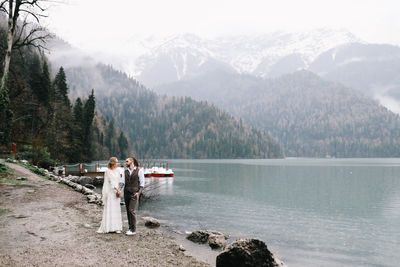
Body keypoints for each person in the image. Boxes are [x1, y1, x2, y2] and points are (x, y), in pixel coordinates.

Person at [97, 157, 123, 234]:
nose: (118, 163)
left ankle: (117, 227)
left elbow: (119, 181)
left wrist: (119, 190)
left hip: (117, 192)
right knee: (110, 208)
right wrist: (116, 189)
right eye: (117, 162)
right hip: (111, 192)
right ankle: (109, 227)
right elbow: (110, 182)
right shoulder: (107, 172)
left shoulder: (118, 171)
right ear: (113, 163)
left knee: (116, 209)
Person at [122, 157, 145, 235]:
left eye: (127, 161)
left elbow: (142, 184)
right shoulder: (125, 171)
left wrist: (138, 193)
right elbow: (122, 183)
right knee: (128, 211)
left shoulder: (139, 171)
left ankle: (134, 230)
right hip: (126, 193)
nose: (126, 163)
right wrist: (119, 190)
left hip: (134, 194)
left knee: (131, 210)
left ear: (131, 161)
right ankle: (130, 228)